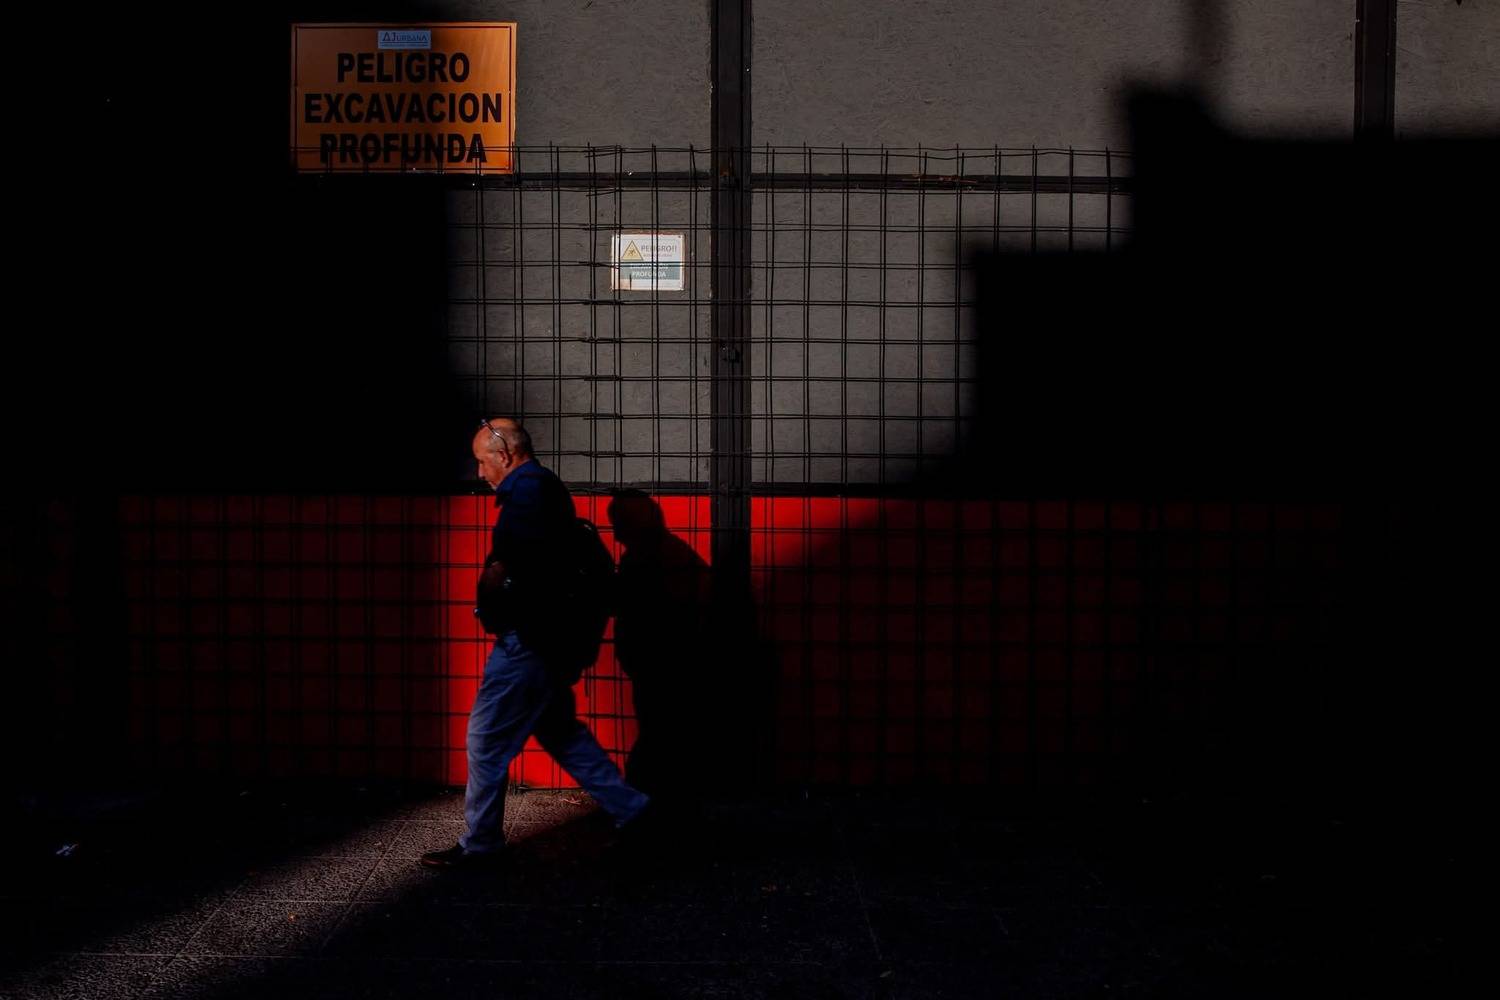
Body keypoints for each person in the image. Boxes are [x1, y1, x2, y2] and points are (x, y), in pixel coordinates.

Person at [420, 418, 652, 868]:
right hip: (549, 640)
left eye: (482, 462)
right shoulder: (543, 488)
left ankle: (481, 844)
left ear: (504, 456)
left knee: (485, 738)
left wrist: (492, 583)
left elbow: (514, 564)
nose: (480, 473)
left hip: (528, 643)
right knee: (561, 733)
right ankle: (635, 811)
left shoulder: (526, 493)